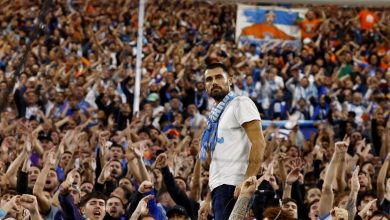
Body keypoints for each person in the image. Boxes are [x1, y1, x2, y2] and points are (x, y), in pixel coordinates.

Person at [198, 62, 266, 220]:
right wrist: (208, 198)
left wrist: (247, 180)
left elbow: (259, 142)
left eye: (219, 77)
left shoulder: (240, 103)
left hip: (235, 184)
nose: (213, 82)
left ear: (230, 80)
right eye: (209, 79)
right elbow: (218, 163)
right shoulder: (216, 117)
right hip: (220, 187)